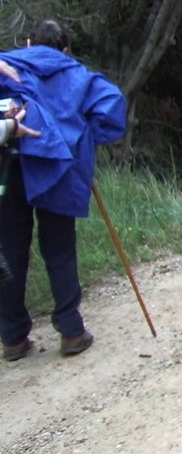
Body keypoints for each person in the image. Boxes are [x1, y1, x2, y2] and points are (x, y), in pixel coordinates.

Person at [0, 20, 126, 360]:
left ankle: (12, 338)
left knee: (10, 249)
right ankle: (70, 331)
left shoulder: (8, 65)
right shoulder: (79, 76)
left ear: (28, 43)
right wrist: (84, 136)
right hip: (59, 166)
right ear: (66, 49)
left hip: (10, 164)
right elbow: (113, 105)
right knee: (59, 247)